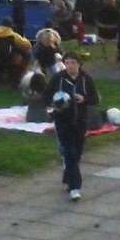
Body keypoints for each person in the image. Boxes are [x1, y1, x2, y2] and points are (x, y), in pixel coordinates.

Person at [42, 52, 99, 201]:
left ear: (79, 64)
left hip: (80, 120)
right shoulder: (58, 78)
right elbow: (46, 96)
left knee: (78, 152)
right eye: (67, 62)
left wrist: (84, 99)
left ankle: (68, 178)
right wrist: (56, 102)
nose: (70, 65)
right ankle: (75, 187)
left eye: (73, 62)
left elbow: (95, 98)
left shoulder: (86, 79)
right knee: (69, 153)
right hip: (62, 120)